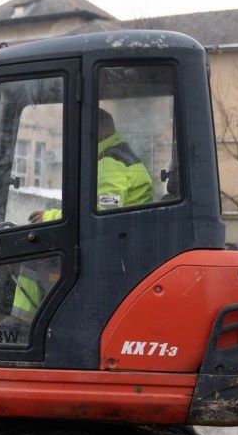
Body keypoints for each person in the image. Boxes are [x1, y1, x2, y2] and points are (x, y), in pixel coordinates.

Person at [12, 108, 153, 321]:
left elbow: (101, 212)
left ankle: (21, 323)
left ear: (99, 131)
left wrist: (51, 217)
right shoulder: (120, 156)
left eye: (85, 132)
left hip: (114, 252)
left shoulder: (110, 162)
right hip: (123, 245)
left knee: (34, 256)